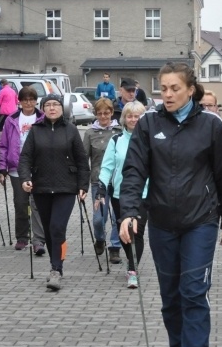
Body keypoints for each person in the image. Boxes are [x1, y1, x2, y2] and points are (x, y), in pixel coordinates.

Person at [119, 63, 222, 347]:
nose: (168, 94)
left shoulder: (212, 126)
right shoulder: (149, 124)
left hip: (201, 220)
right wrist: (129, 212)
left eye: (174, 88)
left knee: (193, 291)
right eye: (163, 88)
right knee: (171, 296)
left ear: (190, 90)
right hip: (161, 221)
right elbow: (134, 171)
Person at [19, 93, 90, 291]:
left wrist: (83, 186)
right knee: (49, 230)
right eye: (48, 105)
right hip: (41, 187)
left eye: (55, 104)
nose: (52, 108)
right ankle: (55, 263)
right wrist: (25, 178)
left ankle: (56, 269)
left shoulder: (71, 129)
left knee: (58, 228)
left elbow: (82, 160)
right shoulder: (35, 130)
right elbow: (25, 158)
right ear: (43, 108)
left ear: (62, 108)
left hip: (66, 187)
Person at [96, 101, 148, 288]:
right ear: (124, 118)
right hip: (120, 194)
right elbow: (107, 167)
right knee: (124, 232)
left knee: (137, 231)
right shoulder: (116, 140)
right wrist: (101, 188)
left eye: (137, 116)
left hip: (144, 193)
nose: (133, 119)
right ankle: (130, 259)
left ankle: (133, 270)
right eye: (130, 116)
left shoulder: (149, 139)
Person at [0, 86, 46, 256]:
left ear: (36, 101)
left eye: (31, 99)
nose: (28, 103)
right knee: (20, 204)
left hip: (39, 168)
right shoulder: (11, 119)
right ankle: (22, 237)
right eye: (25, 100)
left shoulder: (43, 118)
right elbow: (3, 145)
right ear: (19, 101)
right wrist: (2, 167)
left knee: (37, 205)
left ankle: (39, 240)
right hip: (16, 168)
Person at [83, 97, 122, 265]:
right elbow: (84, 159)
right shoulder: (90, 133)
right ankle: (100, 239)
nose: (103, 117)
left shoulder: (119, 131)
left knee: (118, 217)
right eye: (99, 114)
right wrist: (81, 184)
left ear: (112, 113)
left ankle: (115, 247)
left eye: (106, 113)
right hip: (98, 181)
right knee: (99, 218)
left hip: (118, 180)